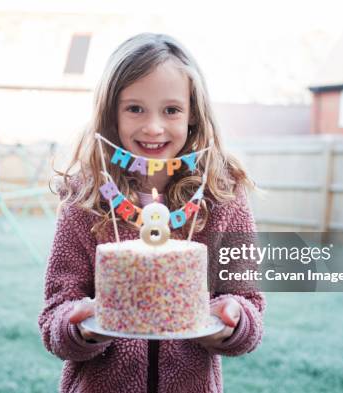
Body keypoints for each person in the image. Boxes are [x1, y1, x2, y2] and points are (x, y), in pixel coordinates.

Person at [38, 32, 265, 393]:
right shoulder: (85, 198)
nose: (154, 127)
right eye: (135, 108)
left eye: (171, 110)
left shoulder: (222, 195)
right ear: (111, 113)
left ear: (193, 115)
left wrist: (233, 322)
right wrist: (78, 326)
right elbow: (55, 314)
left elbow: (248, 302)